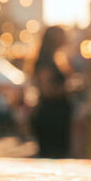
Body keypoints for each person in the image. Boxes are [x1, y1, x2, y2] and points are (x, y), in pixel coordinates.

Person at [29, 25, 72, 158]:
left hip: (54, 115)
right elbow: (47, 90)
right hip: (51, 116)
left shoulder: (51, 58)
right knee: (52, 158)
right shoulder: (45, 60)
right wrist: (70, 88)